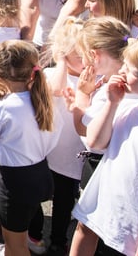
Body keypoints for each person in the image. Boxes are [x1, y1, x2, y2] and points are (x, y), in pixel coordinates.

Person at [69, 34, 138, 256]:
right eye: (124, 66)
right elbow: (95, 142)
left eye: (133, 71)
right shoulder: (128, 108)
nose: (122, 73)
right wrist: (112, 103)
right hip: (110, 212)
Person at [0, 40, 60, 256]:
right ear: (32, 72)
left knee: (15, 245)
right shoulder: (44, 101)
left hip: (14, 183)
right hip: (41, 174)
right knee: (22, 233)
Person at [41, 18, 86, 256]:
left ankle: (59, 239)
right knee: (48, 194)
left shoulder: (94, 77)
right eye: (79, 54)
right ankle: (42, 234)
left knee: (65, 199)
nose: (86, 59)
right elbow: (56, 89)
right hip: (52, 149)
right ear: (64, 54)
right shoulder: (51, 74)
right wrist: (59, 62)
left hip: (76, 151)